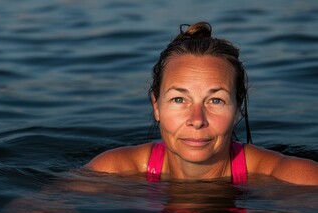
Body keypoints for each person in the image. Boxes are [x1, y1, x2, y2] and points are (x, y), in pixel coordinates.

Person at [85, 22, 318, 186]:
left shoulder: (288, 176)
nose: (197, 119)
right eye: (179, 99)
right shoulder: (114, 169)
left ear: (238, 108)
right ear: (156, 106)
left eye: (215, 100)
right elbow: (48, 212)